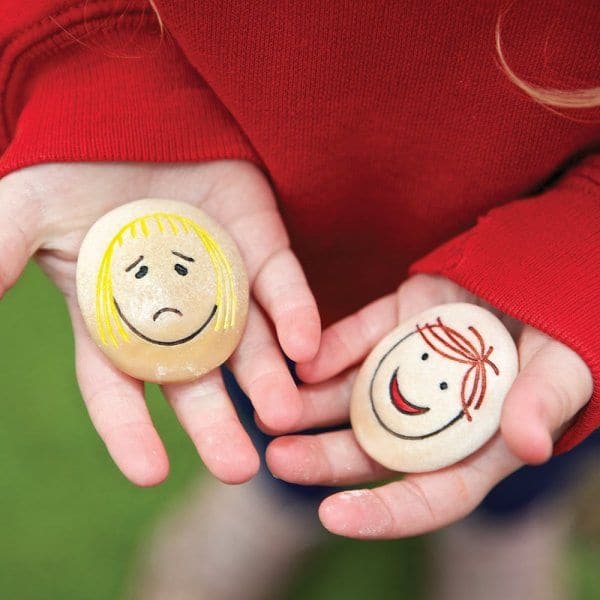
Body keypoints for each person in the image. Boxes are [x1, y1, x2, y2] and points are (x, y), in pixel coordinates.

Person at [0, 0, 598, 595]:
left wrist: (575, 264)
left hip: (557, 283)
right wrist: (95, 81)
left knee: (537, 421)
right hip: (276, 231)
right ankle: (279, 497)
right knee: (280, 384)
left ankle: (506, 522)